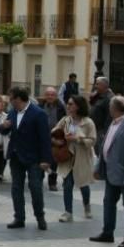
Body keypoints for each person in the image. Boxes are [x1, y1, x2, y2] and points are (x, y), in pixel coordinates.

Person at [90, 96, 124, 247]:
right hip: (111, 173)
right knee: (108, 203)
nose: (109, 109)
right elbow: (105, 147)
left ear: (115, 109)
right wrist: (99, 167)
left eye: (111, 106)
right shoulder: (113, 123)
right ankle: (107, 232)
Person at [1, 87, 54, 230]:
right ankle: (19, 217)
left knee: (35, 187)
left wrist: (46, 160)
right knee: (16, 188)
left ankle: (40, 217)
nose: (9, 102)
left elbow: (45, 138)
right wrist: (3, 126)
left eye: (11, 99)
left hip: (34, 157)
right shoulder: (12, 113)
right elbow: (5, 130)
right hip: (16, 156)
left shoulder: (38, 113)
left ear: (18, 99)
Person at [53, 94, 96, 222]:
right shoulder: (66, 120)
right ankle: (68, 212)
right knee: (67, 184)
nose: (68, 106)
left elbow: (92, 141)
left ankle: (87, 207)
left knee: (83, 184)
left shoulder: (88, 122)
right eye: (68, 103)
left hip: (82, 158)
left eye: (71, 104)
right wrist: (58, 140)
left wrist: (77, 139)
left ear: (78, 106)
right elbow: (54, 132)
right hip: (67, 157)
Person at [38, 86, 67, 191]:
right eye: (48, 94)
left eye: (52, 95)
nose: (50, 96)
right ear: (45, 96)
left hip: (56, 136)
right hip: (42, 136)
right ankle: (39, 180)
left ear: (56, 96)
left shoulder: (60, 107)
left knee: (54, 161)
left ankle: (52, 182)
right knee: (40, 159)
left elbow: (65, 121)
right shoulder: (40, 106)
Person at [90, 77, 114, 149]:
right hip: (94, 129)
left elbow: (110, 117)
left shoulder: (109, 98)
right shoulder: (98, 96)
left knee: (99, 152)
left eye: (97, 84)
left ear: (104, 85)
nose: (95, 86)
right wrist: (93, 96)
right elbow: (91, 103)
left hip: (101, 131)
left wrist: (104, 132)